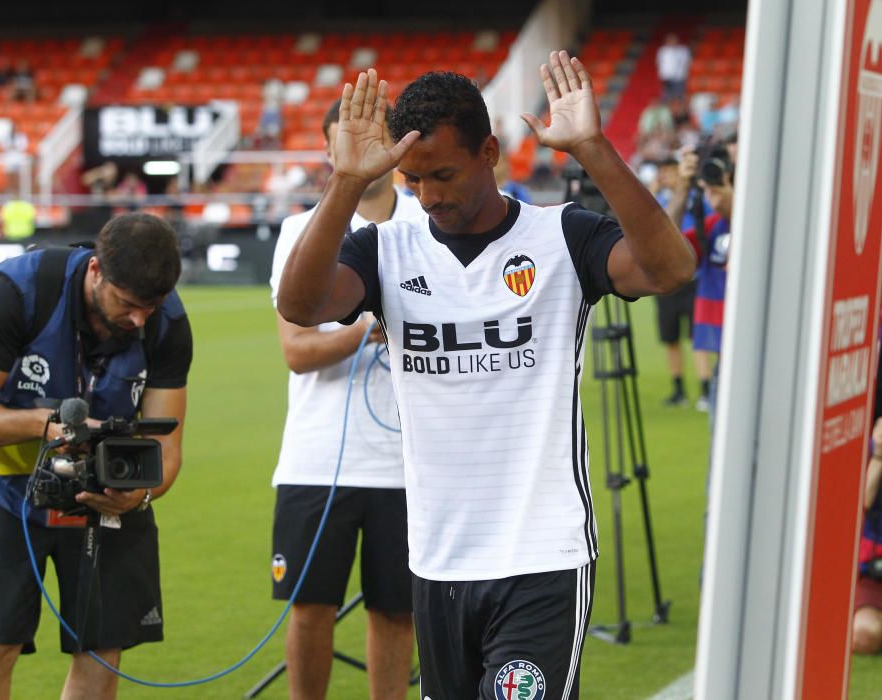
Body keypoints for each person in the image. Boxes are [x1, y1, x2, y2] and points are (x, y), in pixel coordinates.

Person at [277, 54, 695, 698]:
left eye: (444, 174)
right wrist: (343, 183)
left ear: (490, 152)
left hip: (542, 555)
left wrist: (593, 149)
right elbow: (300, 307)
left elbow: (669, 271)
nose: (431, 196)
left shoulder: (563, 237)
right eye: (414, 180)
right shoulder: (388, 249)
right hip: (439, 558)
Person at [0, 212, 192, 700]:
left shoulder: (169, 324)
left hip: (108, 491)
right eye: (129, 303)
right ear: (96, 271)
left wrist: (138, 494)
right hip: (8, 492)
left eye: (150, 307)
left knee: (102, 648)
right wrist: (43, 424)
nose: (139, 319)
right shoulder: (18, 295)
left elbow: (169, 445)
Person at [269, 99, 421, 699]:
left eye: (373, 133)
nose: (359, 146)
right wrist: (365, 327)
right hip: (316, 457)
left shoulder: (428, 222)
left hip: (409, 462)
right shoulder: (299, 232)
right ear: (329, 150)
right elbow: (297, 351)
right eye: (345, 138)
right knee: (310, 609)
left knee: (397, 612)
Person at [652, 157, 712, 409]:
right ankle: (678, 388)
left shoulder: (698, 200)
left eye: (670, 172)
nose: (666, 177)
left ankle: (706, 389)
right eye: (663, 172)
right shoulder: (659, 202)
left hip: (693, 277)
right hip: (665, 278)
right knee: (671, 337)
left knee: (697, 336)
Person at [854, 415, 882, 654]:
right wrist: (878, 458)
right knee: (863, 634)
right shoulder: (874, 437)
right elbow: (857, 508)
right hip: (875, 568)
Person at [656, 33, 691, 101]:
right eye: (670, 40)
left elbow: (686, 63)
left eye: (674, 40)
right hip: (666, 77)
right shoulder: (663, 50)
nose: (672, 42)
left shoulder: (683, 50)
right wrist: (662, 75)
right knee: (667, 96)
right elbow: (659, 63)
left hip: (679, 78)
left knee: (678, 96)